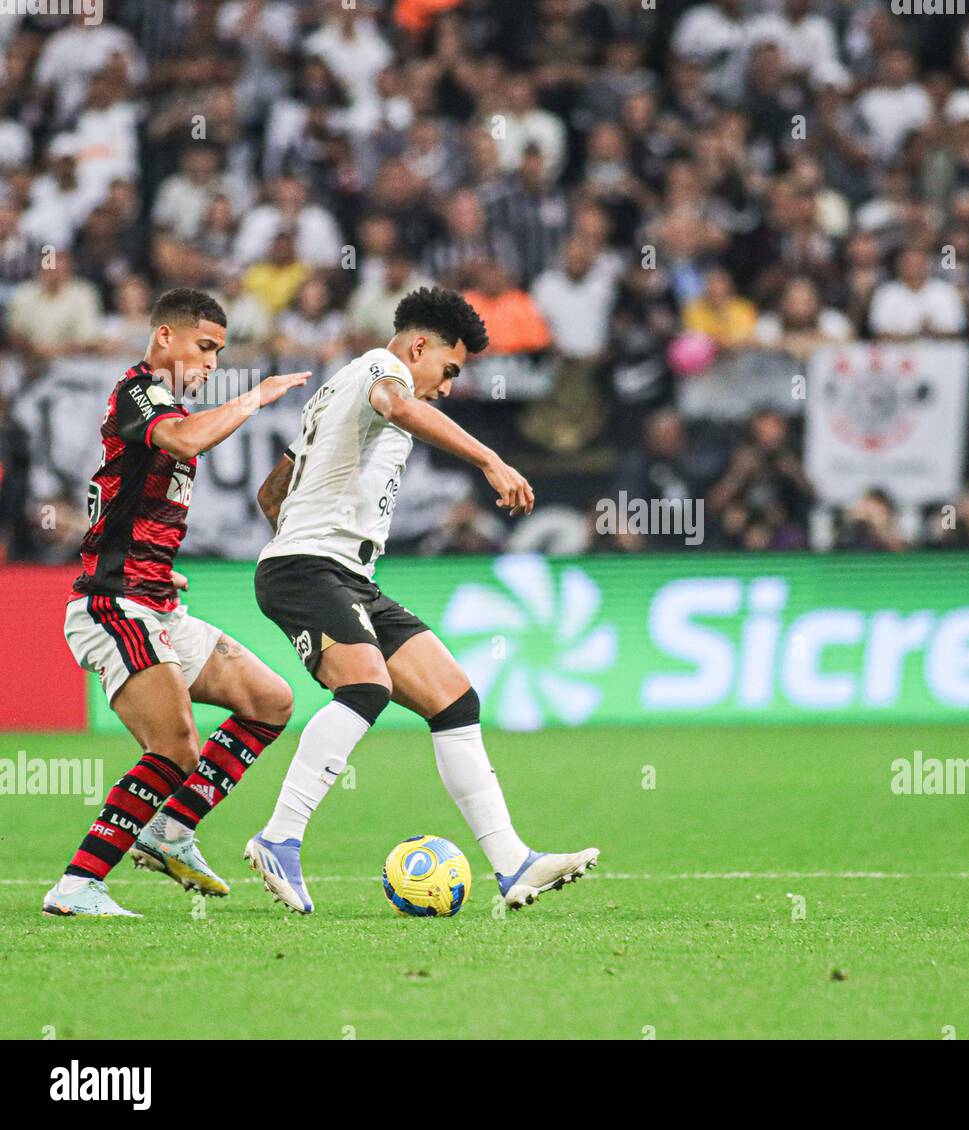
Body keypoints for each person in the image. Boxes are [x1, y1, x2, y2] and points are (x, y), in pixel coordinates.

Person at [247, 286, 598, 913]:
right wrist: (490, 459)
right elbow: (399, 404)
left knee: (454, 698)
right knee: (365, 687)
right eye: (448, 369)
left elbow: (273, 492)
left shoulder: (335, 391)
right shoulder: (381, 371)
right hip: (310, 568)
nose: (446, 386)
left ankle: (513, 865)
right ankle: (280, 837)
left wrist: (301, 524)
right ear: (417, 346)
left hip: (343, 574)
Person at [44, 288, 309, 917]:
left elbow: (129, 504)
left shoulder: (164, 405)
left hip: (154, 600)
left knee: (270, 702)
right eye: (205, 347)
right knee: (177, 748)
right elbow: (187, 443)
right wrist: (254, 397)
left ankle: (171, 831)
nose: (213, 363)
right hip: (111, 607)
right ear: (165, 337)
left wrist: (161, 571)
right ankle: (77, 885)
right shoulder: (139, 391)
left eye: (220, 351)